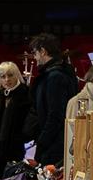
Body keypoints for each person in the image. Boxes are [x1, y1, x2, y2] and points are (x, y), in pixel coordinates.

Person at [28, 34, 81, 170]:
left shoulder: (55, 77)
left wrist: (42, 143)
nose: (34, 57)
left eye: (35, 52)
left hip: (54, 145)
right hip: (59, 141)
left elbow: (55, 114)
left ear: (43, 51)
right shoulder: (61, 74)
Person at [0, 59, 34, 180]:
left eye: (10, 75)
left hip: (14, 146)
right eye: (3, 76)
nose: (7, 79)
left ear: (16, 75)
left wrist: (22, 136)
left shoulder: (25, 93)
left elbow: (30, 119)